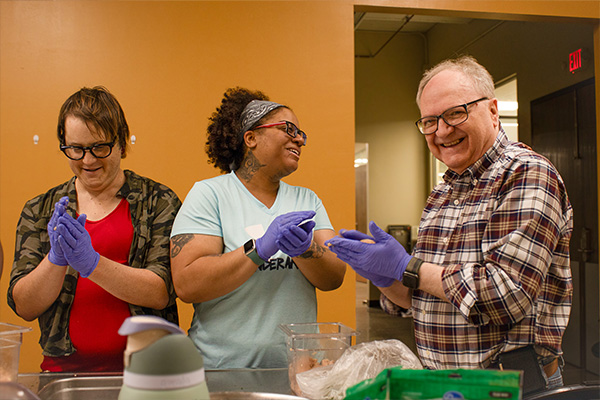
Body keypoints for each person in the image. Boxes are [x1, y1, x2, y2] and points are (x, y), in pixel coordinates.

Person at [326, 56, 573, 394]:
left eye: (455, 113)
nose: (441, 131)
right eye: (429, 121)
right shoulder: (444, 191)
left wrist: (407, 266)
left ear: (493, 110)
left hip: (510, 387)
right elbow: (424, 299)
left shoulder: (526, 173)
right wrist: (384, 277)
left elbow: (506, 295)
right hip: (445, 386)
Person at [7, 86, 181, 372]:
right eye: (76, 149)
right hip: (65, 373)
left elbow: (160, 291)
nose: (88, 161)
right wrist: (55, 260)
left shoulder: (158, 201)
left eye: (100, 147)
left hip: (149, 371)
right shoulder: (40, 209)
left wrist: (92, 263)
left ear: (122, 143)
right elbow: (24, 306)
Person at [170, 87, 346, 369]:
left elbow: (334, 276)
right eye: (289, 128)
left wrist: (305, 249)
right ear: (250, 138)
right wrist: (258, 249)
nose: (299, 139)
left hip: (297, 370)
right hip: (221, 370)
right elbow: (187, 284)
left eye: (301, 133)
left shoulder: (306, 199)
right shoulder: (209, 195)